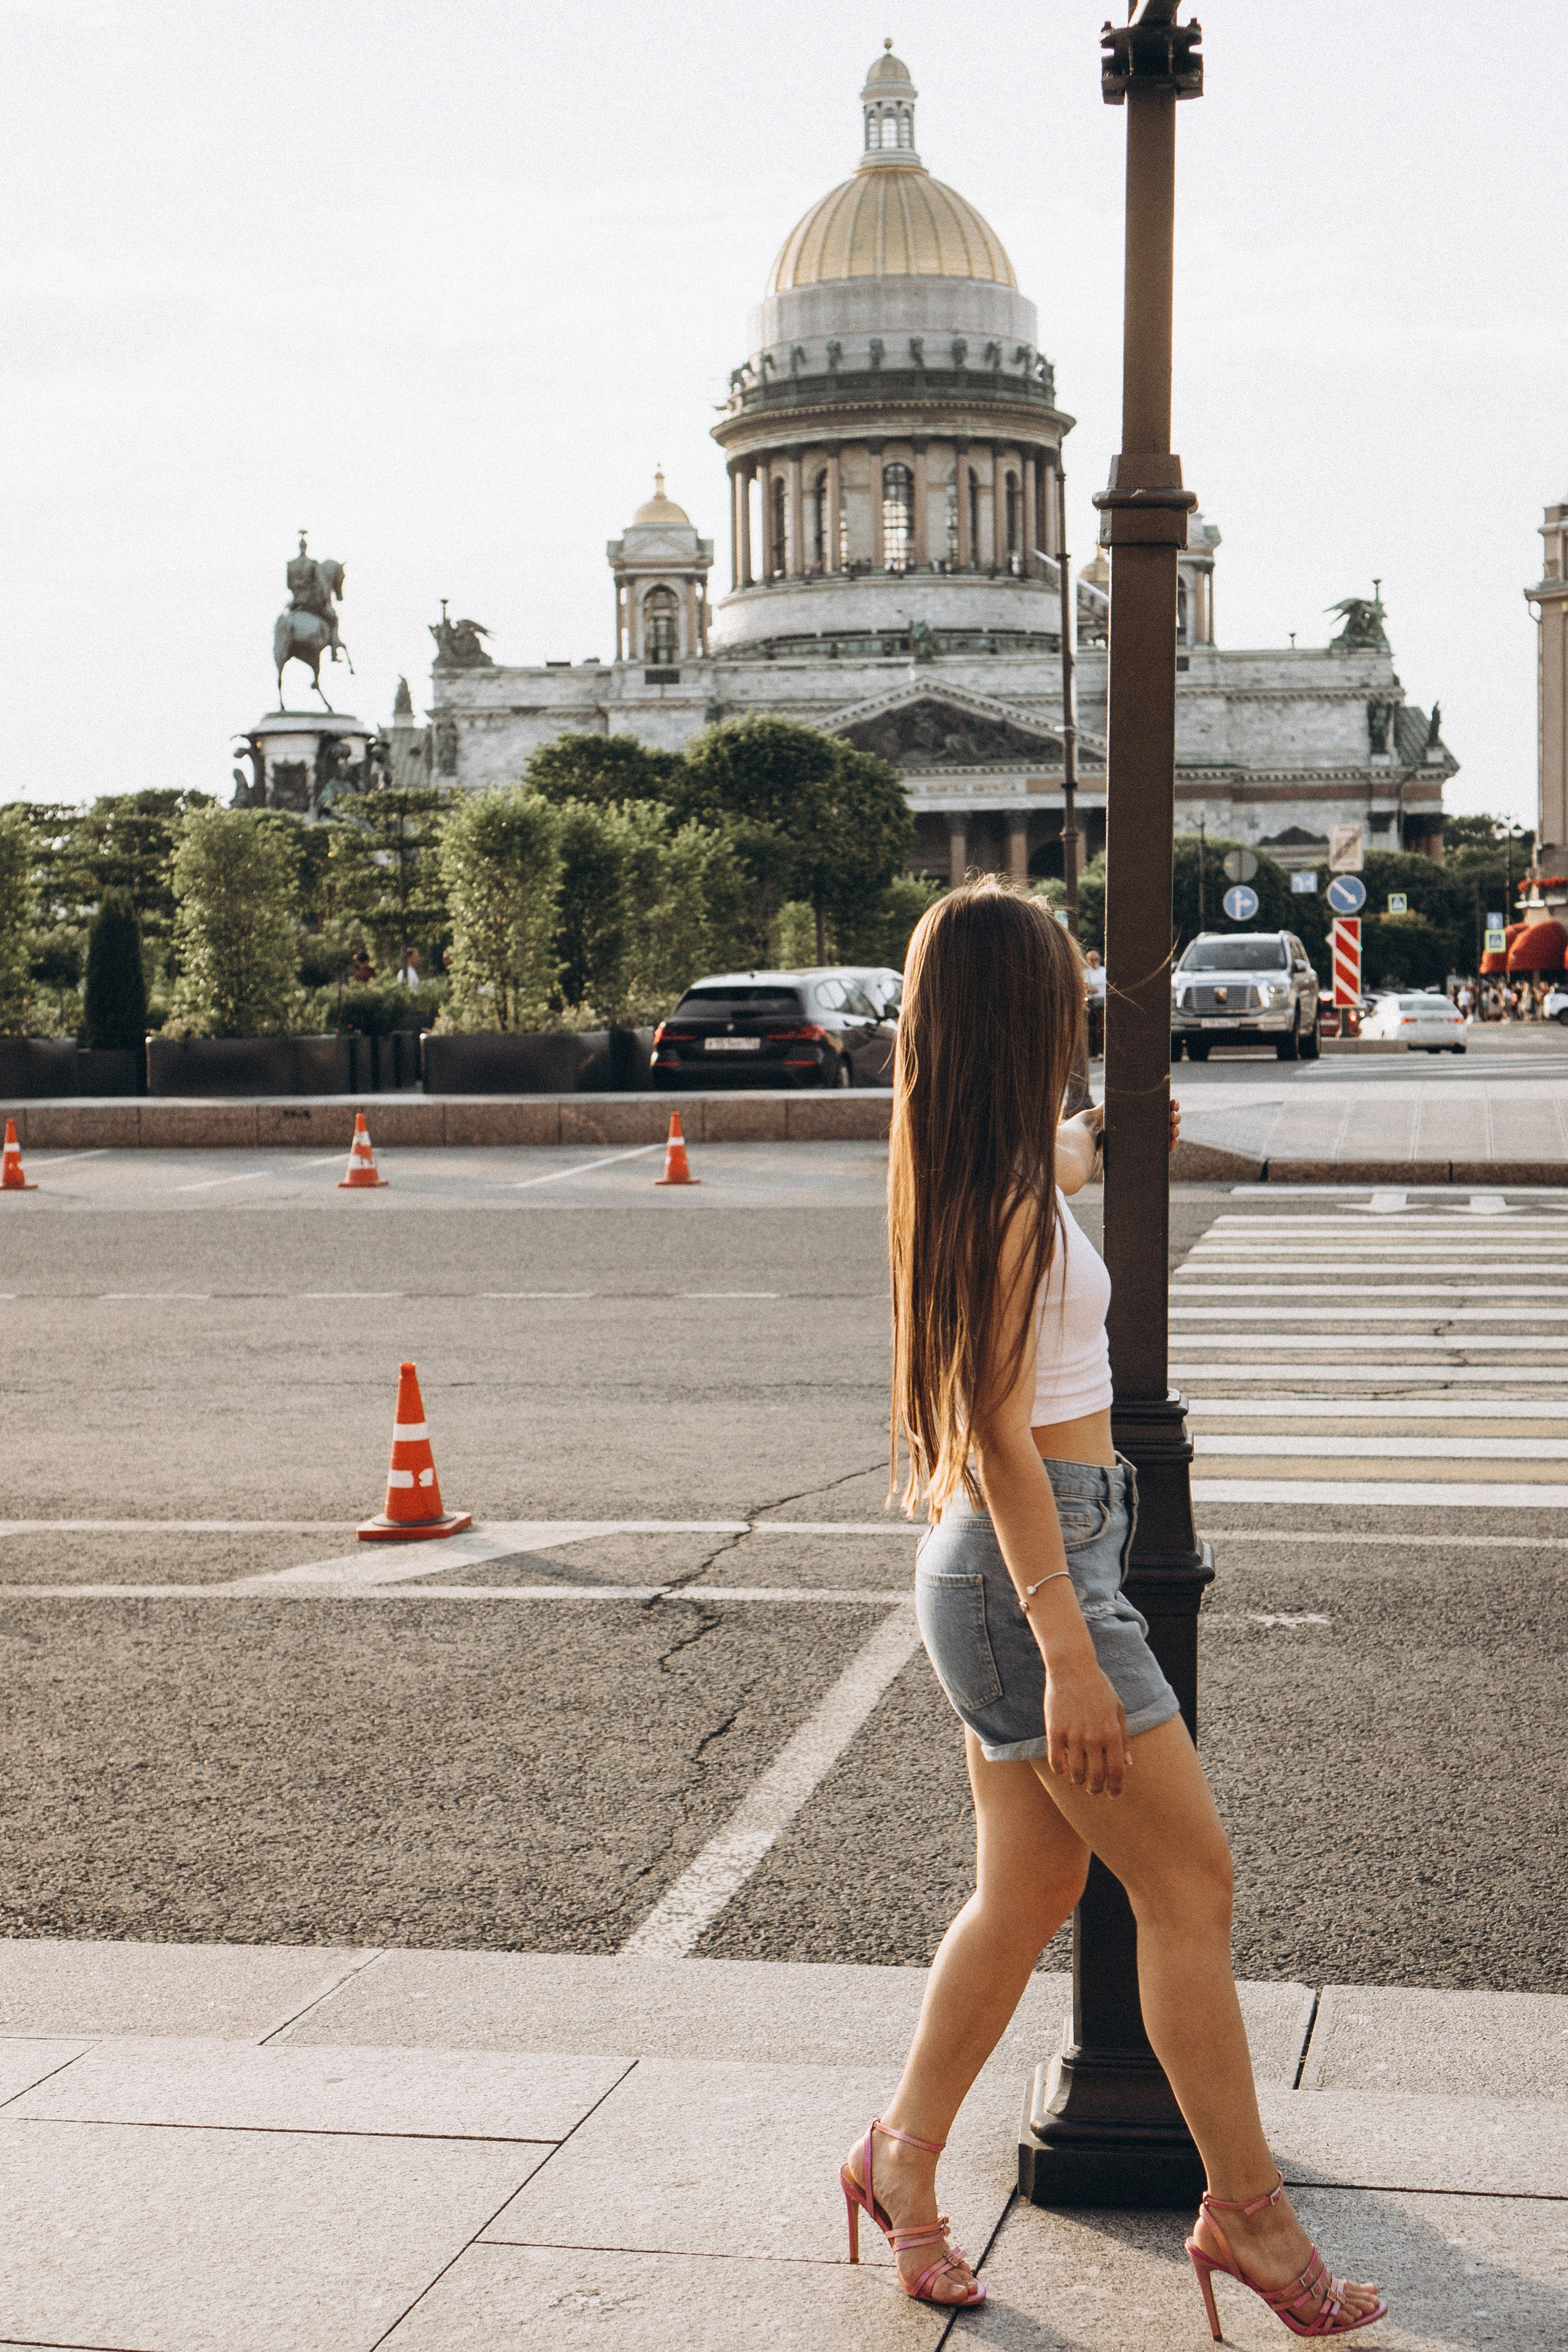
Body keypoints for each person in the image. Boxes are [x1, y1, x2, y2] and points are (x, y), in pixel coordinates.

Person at [840, 879, 1385, 2335]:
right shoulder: (1004, 1203)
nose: (1082, 1005)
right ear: (1022, 1016)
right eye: (1066, 990)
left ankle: (895, 2161)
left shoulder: (993, 1172)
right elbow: (1007, 1436)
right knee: (1186, 1885)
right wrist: (1071, 1651)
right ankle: (1246, 2215)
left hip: (1009, 1563)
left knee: (1021, 1898)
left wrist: (1090, 1144)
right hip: (1037, 1577)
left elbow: (1052, 1193)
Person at [1083, 947, 1107, 1058]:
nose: (1094, 962)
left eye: (1096, 959)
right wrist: (1089, 989)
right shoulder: (1086, 972)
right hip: (1092, 1001)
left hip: (1102, 1000)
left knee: (1102, 1027)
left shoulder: (1104, 971)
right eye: (1091, 959)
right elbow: (1083, 985)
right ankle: (1092, 1051)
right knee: (1092, 1027)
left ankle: (1101, 1051)